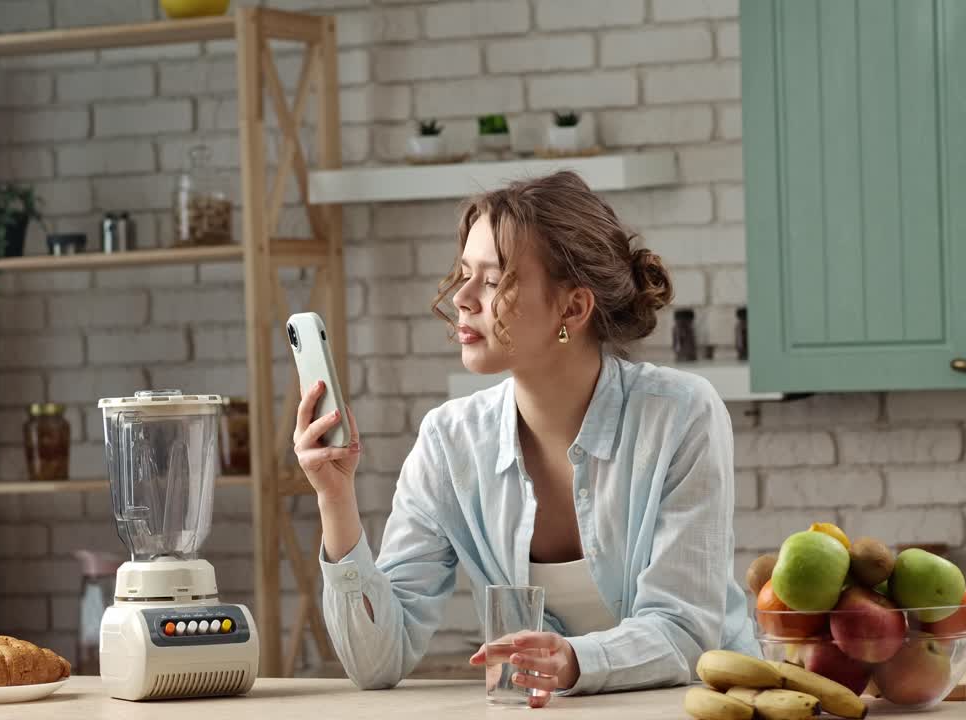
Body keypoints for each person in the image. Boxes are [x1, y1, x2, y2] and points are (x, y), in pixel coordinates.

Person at [293, 171, 759, 708]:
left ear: (573, 309)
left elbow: (684, 629)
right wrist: (335, 498)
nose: (463, 299)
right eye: (465, 274)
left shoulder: (679, 415)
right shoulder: (451, 441)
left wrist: (574, 660)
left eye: (493, 281)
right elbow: (377, 661)